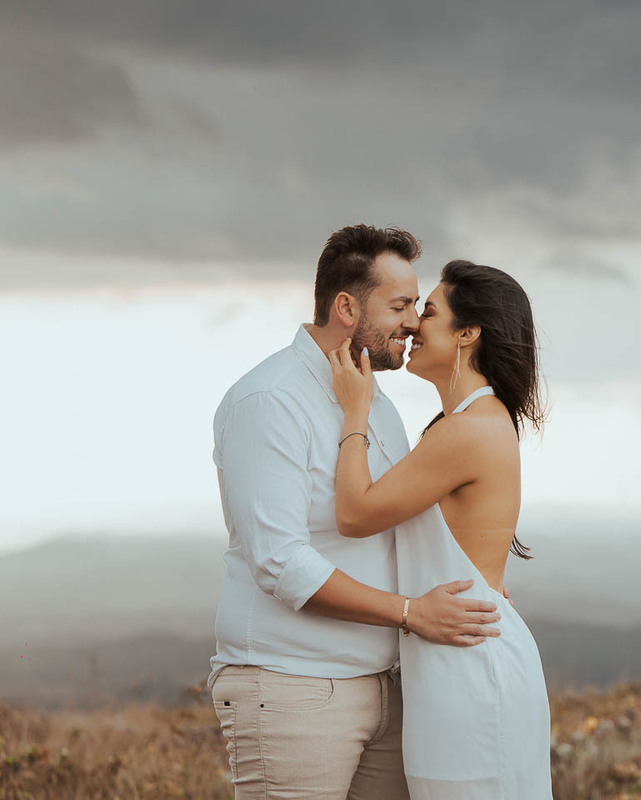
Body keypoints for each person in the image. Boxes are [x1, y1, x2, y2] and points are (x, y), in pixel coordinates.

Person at [208, 225, 509, 800]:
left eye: (418, 307)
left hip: (390, 691)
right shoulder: (269, 400)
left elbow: (397, 528)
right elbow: (280, 563)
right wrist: (410, 613)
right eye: (399, 305)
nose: (415, 322)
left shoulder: (378, 404)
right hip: (293, 687)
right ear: (346, 307)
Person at [328, 258, 552, 799]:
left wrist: (353, 413)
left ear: (467, 333)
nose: (412, 325)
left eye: (427, 312)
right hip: (454, 659)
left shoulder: (468, 430)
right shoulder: (472, 423)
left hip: (469, 669)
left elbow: (355, 514)